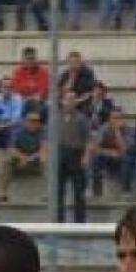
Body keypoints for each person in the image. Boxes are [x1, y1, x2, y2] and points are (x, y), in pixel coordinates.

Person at [56, 91, 92, 224]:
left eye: (72, 99)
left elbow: (88, 140)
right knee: (58, 191)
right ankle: (58, 220)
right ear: (62, 101)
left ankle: (80, 221)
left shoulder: (81, 119)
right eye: (67, 99)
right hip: (60, 154)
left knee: (79, 191)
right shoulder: (56, 117)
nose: (70, 102)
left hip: (76, 154)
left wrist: (86, 156)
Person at [0, 111, 45, 203]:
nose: (35, 123)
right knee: (6, 161)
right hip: (19, 160)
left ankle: (48, 194)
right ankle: (2, 194)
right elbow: (11, 148)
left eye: (37, 121)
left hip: (35, 161)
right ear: (25, 121)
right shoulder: (17, 131)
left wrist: (29, 158)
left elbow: (44, 148)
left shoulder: (43, 131)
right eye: (32, 120)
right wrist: (23, 157)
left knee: (46, 161)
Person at [89, 109, 136, 197]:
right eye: (114, 118)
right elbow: (94, 147)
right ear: (109, 119)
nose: (116, 120)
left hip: (123, 157)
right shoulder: (104, 128)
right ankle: (96, 191)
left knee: (128, 159)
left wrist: (117, 132)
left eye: (119, 118)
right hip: (109, 156)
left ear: (124, 119)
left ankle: (126, 190)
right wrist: (109, 152)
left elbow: (125, 150)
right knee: (96, 158)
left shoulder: (130, 130)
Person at [11, 47, 50, 113]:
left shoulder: (43, 72)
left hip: (40, 101)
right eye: (28, 59)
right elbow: (17, 90)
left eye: (32, 59)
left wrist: (33, 97)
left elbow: (43, 90)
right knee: (18, 105)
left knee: (44, 106)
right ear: (23, 60)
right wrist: (28, 98)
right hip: (22, 101)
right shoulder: (18, 72)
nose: (30, 61)